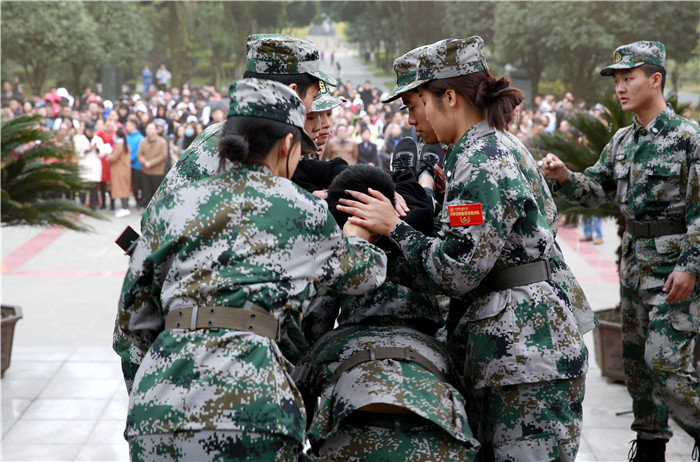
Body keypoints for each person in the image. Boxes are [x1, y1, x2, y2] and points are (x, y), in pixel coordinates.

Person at [338, 37, 590, 462]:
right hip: (522, 348)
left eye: (416, 104)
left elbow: (456, 272)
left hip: (523, 356)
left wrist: (394, 229)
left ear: (449, 97)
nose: (411, 119)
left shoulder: (481, 159)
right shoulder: (492, 147)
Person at [113, 78, 387, 461]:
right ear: (288, 144)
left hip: (158, 408)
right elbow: (364, 274)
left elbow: (133, 319)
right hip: (253, 408)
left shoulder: (172, 204)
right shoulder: (299, 206)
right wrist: (358, 233)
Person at [540, 41, 700, 461]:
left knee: (666, 367)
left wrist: (690, 266)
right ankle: (649, 450)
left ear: (655, 79)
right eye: (617, 81)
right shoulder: (621, 141)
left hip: (673, 274)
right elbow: (595, 190)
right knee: (638, 370)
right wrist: (564, 176)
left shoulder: (688, 139)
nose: (620, 88)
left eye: (629, 78)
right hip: (633, 271)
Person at [295, 165, 479, 461]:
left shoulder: (340, 260)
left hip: (347, 369)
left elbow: (315, 327)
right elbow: (453, 305)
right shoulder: (425, 251)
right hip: (428, 364)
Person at [141, 34, 338, 225]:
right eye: (313, 98)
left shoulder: (237, 134)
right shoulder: (245, 145)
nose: (312, 111)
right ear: (291, 93)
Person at [137, 122, 168, 206]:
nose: (148, 130)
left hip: (157, 171)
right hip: (145, 170)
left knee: (156, 192)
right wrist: (145, 162)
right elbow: (140, 155)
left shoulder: (162, 142)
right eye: (147, 128)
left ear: (156, 130)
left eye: (150, 129)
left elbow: (163, 155)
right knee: (146, 192)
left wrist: (151, 163)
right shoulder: (143, 141)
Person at [107, 129, 133, 217]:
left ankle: (125, 208)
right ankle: (124, 207)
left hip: (120, 170)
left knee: (122, 189)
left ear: (117, 136)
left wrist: (107, 153)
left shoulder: (119, 146)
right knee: (124, 188)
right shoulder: (125, 145)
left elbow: (113, 158)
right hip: (124, 170)